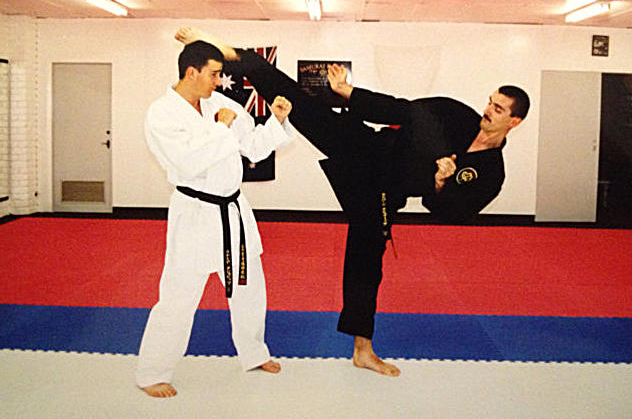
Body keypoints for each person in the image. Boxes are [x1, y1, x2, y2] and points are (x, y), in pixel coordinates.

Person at [174, 26, 530, 377]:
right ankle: (235, 56)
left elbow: (453, 212)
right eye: (490, 101)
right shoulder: (456, 115)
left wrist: (439, 185)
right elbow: (401, 110)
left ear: (514, 121)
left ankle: (363, 351)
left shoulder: (491, 173)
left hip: (385, 191)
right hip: (369, 148)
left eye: (499, 109)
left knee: (366, 265)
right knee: (303, 105)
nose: (488, 110)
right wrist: (349, 93)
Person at [136, 39, 294, 398]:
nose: (219, 80)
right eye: (214, 74)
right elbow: (188, 162)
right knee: (179, 295)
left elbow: (253, 147)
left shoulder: (220, 104)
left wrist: (275, 121)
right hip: (195, 213)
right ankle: (153, 372)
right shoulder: (162, 114)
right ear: (191, 72)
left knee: (249, 287)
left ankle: (254, 353)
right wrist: (221, 128)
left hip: (233, 211)